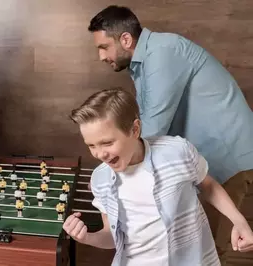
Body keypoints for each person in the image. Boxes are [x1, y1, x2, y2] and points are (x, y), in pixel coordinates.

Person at [88, 5, 253, 259]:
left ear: (125, 39)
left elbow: (151, 130)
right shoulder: (144, 62)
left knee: (210, 251)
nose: (101, 56)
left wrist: (110, 166)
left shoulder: (163, 53)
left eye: (103, 46)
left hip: (227, 158)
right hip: (208, 159)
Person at [63, 88, 253, 266]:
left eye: (107, 143)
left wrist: (239, 221)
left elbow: (209, 185)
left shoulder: (178, 152)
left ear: (135, 129)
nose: (100, 154)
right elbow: (112, 236)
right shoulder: (101, 180)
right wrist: (87, 238)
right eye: (92, 145)